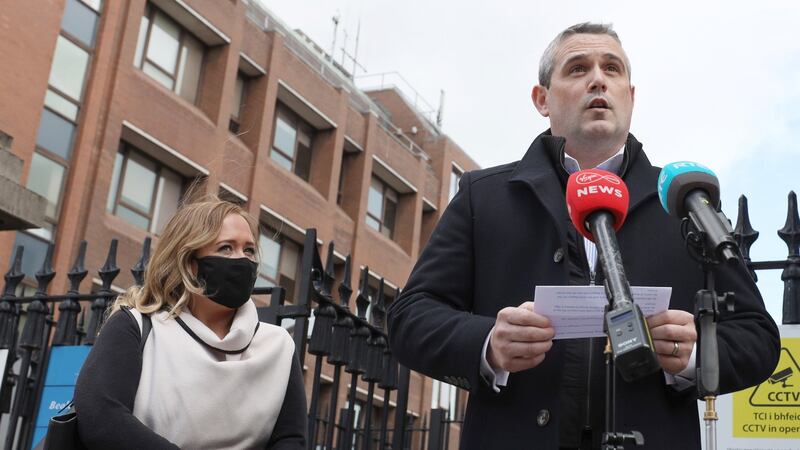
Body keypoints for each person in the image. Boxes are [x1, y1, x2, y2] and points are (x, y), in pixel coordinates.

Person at [387, 22, 780, 450]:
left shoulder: (685, 204)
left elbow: (758, 337)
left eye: (612, 69)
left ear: (630, 97)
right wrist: (487, 344)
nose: (598, 79)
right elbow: (410, 318)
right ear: (542, 99)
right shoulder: (484, 198)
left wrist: (694, 354)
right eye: (577, 69)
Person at [73, 198, 306, 449]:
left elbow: (290, 439)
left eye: (249, 250)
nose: (242, 259)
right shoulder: (135, 326)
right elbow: (101, 416)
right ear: (188, 262)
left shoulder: (278, 346)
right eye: (226, 248)